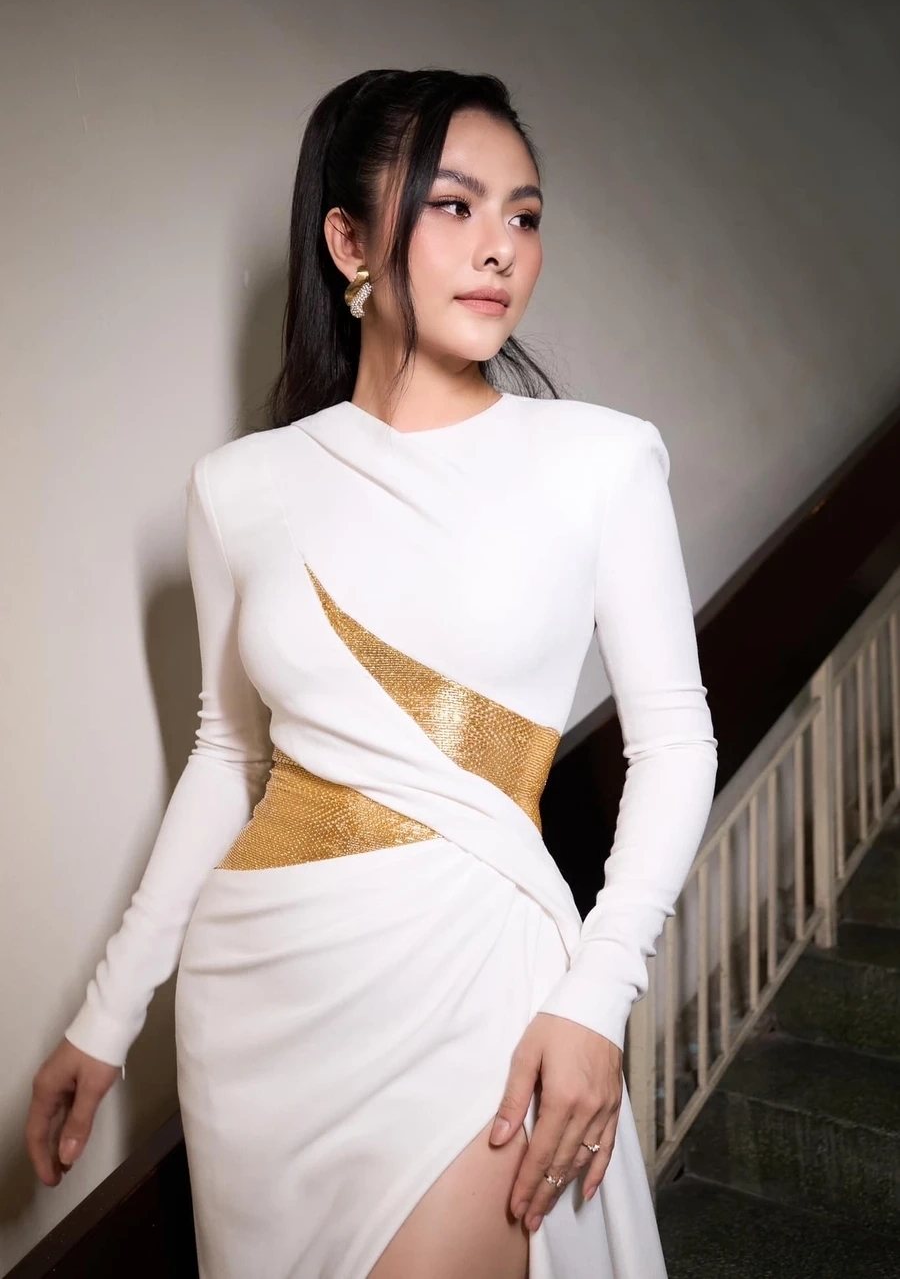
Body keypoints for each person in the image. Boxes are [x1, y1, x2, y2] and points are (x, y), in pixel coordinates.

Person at [26, 68, 718, 1279]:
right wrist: (105, 1013)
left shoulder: (601, 462)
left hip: (477, 980)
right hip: (263, 1002)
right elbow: (228, 757)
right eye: (455, 205)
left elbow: (675, 744)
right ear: (349, 242)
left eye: (525, 214)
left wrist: (597, 994)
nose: (500, 245)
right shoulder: (239, 488)